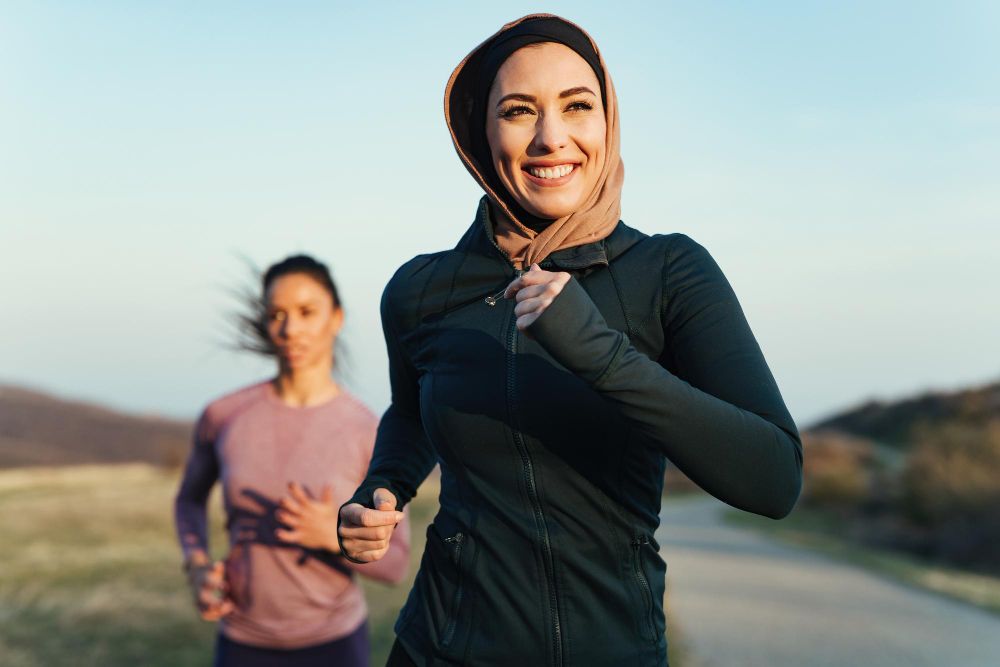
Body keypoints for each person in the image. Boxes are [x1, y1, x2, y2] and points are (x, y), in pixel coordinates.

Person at [338, 14, 802, 667]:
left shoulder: (669, 271)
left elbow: (775, 477)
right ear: (481, 131)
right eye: (520, 111)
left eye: (576, 106)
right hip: (439, 650)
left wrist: (600, 352)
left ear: (607, 121)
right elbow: (413, 411)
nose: (551, 138)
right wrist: (381, 487)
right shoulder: (421, 289)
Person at [174, 254, 410, 667]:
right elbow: (189, 500)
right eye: (277, 314)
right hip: (241, 643)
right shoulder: (224, 416)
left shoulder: (369, 432)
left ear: (335, 318)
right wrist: (196, 565)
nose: (290, 329)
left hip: (334, 645)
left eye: (306, 312)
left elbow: (396, 565)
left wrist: (332, 534)